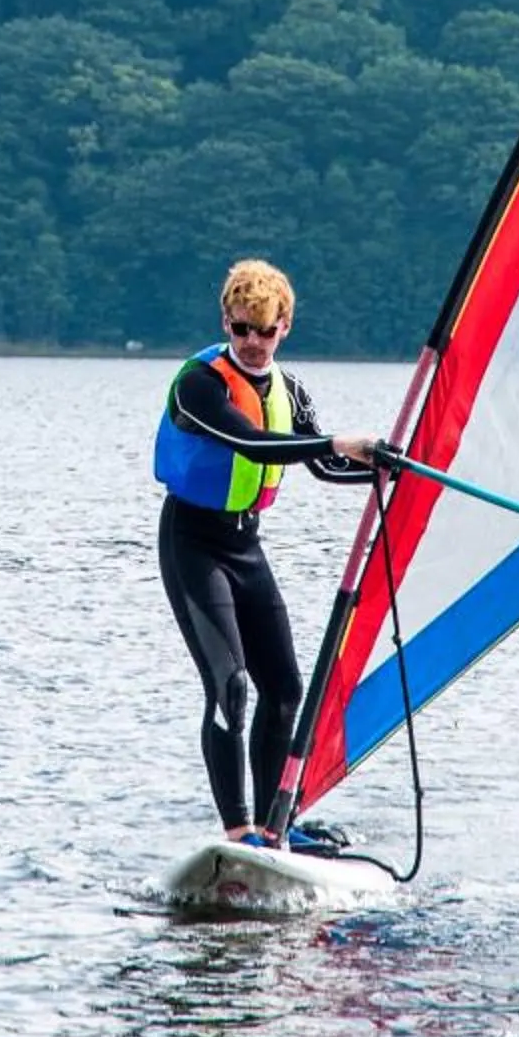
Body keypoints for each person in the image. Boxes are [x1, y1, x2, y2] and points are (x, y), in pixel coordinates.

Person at [151, 258, 375, 848]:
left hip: (246, 547)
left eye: (264, 330)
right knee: (230, 687)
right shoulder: (198, 384)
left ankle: (278, 828)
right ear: (225, 322)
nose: (252, 342)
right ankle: (239, 832)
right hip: (192, 543)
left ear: (285, 328)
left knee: (286, 691)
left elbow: (325, 464)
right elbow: (248, 440)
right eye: (240, 329)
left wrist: (383, 468)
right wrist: (336, 443)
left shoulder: (291, 390)